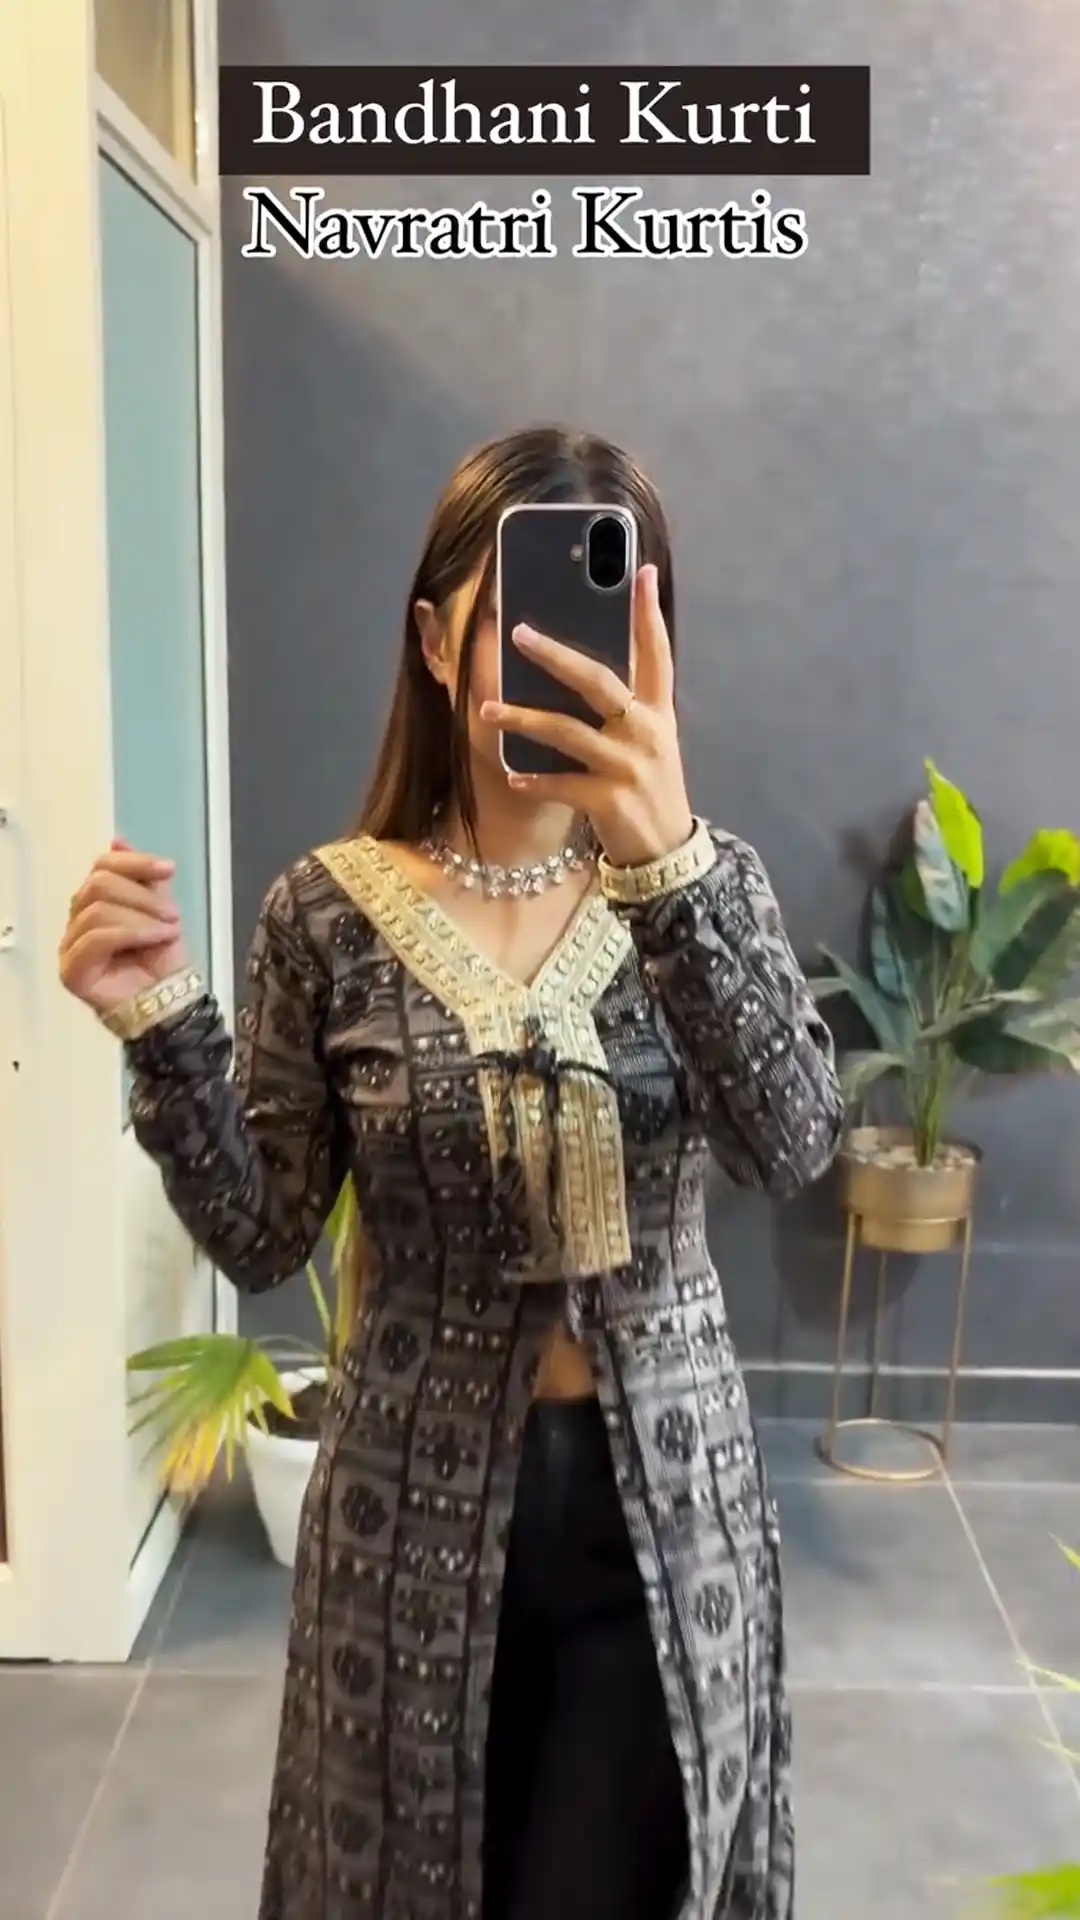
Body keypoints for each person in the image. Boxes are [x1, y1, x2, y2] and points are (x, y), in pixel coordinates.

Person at [59, 426, 844, 1920]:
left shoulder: (712, 886)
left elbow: (789, 1140)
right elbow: (262, 1229)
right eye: (519, 619)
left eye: (607, 622)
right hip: (406, 1522)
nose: (566, 658)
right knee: (409, 1879)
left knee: (628, 1876)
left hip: (666, 1516)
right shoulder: (328, 914)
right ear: (435, 641)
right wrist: (159, 1027)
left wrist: (664, 866)